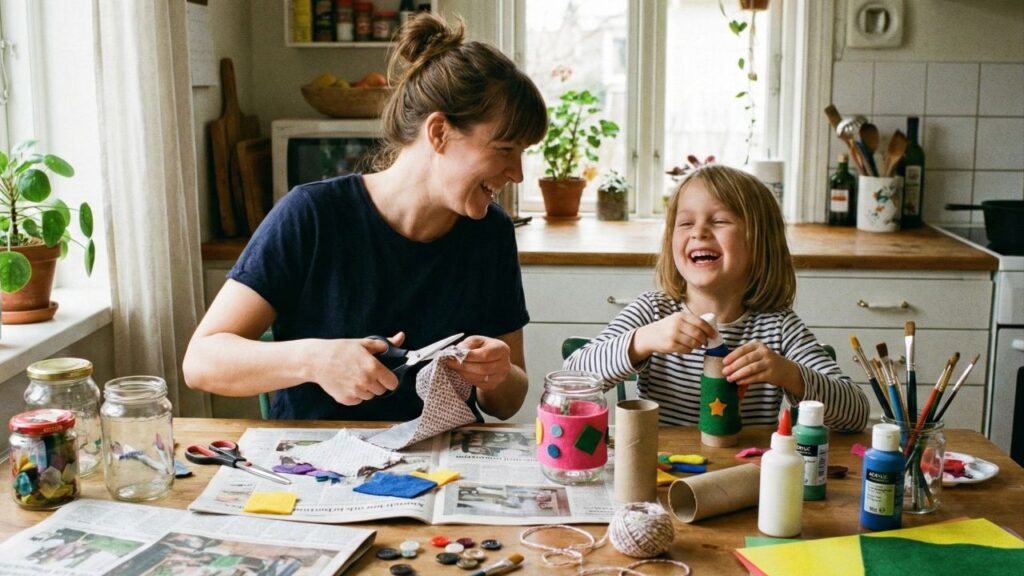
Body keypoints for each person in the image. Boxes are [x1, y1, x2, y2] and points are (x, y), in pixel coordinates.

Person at [183, 14, 547, 422]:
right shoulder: (312, 216)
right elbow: (201, 362)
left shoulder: (491, 232)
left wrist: (498, 374)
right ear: (439, 132)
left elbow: (509, 401)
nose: (517, 173)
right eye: (504, 149)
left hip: (444, 469)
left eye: (522, 153)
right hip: (316, 467)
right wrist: (315, 359)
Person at [564, 164, 869, 431]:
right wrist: (641, 341)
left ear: (759, 241)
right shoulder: (654, 312)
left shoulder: (778, 327)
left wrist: (789, 373)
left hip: (742, 478)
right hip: (659, 473)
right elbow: (571, 380)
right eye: (685, 223)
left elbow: (856, 414)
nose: (699, 232)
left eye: (720, 221)